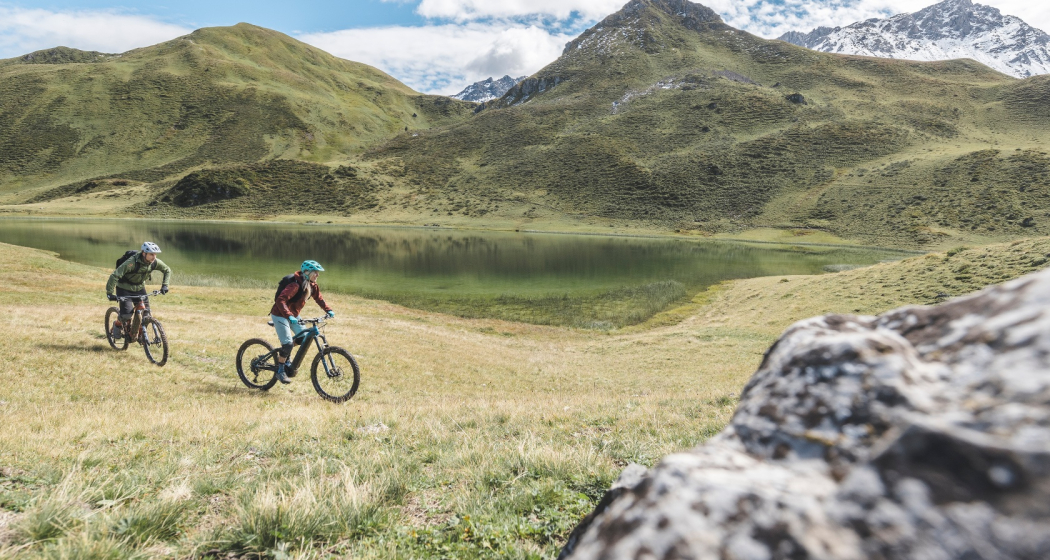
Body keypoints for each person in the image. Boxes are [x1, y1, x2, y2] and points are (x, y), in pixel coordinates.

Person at [270, 260, 335, 384]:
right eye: (315, 272)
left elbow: (319, 299)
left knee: (302, 338)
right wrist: (288, 315)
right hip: (280, 314)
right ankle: (280, 370)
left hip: (293, 315)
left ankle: (284, 354)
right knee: (288, 344)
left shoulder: (312, 285)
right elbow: (280, 300)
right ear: (306, 272)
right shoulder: (295, 285)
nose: (318, 275)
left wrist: (328, 310)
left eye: (318, 272)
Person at [106, 242, 172, 339]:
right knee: (126, 315)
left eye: (155, 254)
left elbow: (167, 270)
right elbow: (115, 275)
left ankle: (138, 333)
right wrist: (109, 293)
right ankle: (117, 324)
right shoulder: (131, 263)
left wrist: (165, 286)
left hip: (140, 288)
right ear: (144, 253)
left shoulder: (154, 262)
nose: (154, 257)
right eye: (151, 254)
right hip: (124, 288)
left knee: (146, 313)